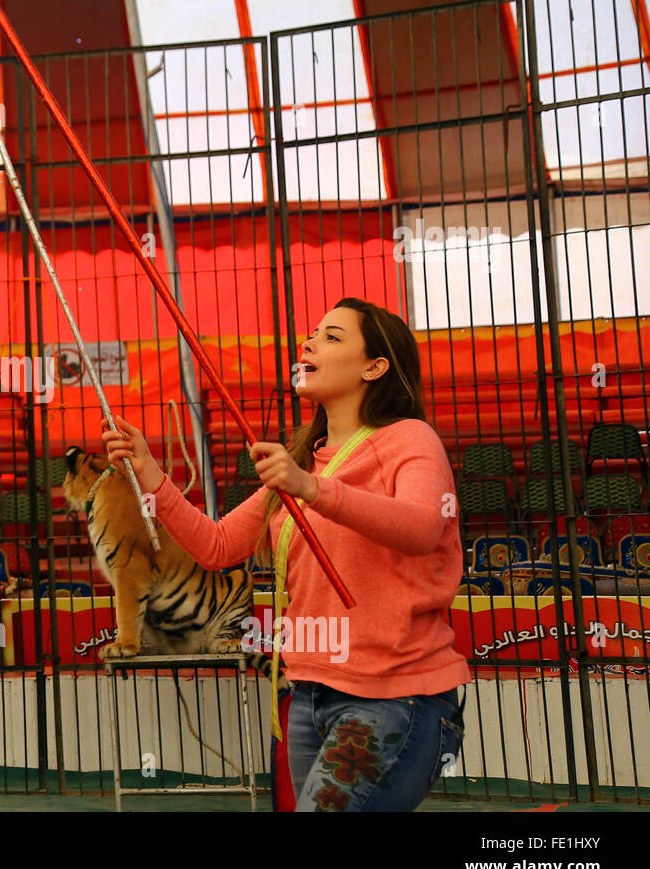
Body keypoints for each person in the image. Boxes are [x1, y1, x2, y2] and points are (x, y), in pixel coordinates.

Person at [101, 297, 470, 811]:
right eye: (313, 333)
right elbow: (217, 545)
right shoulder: (302, 461)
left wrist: (313, 490)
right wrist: (150, 474)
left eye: (333, 336)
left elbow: (424, 527)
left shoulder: (409, 439)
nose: (309, 342)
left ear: (375, 366)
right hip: (310, 693)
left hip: (394, 698)